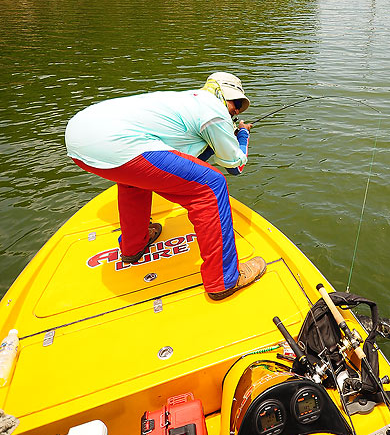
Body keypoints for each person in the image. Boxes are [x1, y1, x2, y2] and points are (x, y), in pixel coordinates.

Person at [65, 72, 267, 300]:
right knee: (212, 184)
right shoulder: (215, 112)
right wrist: (242, 134)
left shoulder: (187, 100)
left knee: (134, 180)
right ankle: (224, 279)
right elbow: (234, 166)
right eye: (236, 103)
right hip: (117, 143)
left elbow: (188, 151)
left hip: (79, 140)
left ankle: (134, 246)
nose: (237, 110)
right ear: (222, 94)